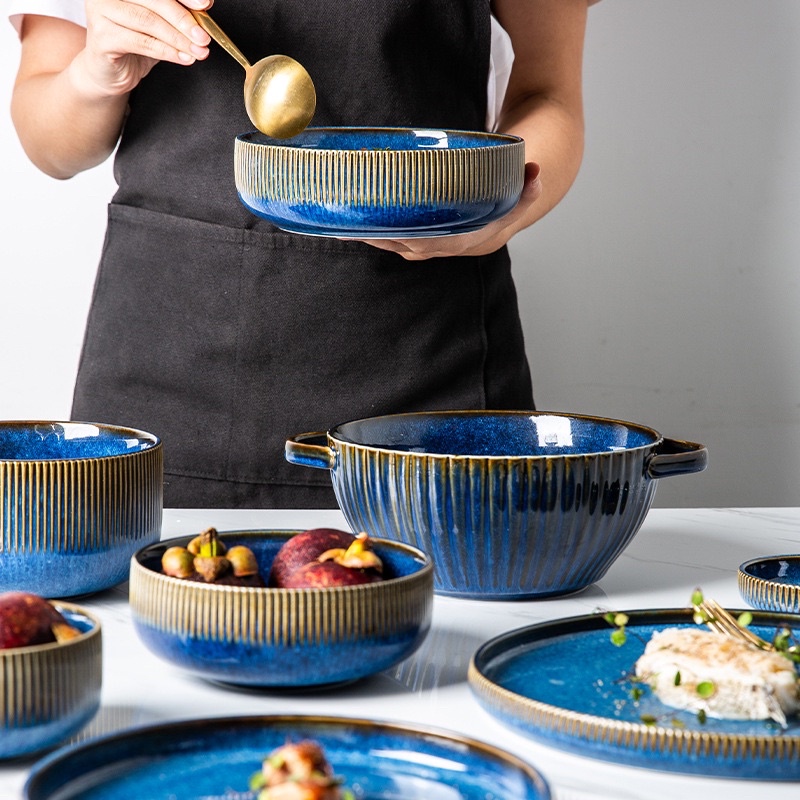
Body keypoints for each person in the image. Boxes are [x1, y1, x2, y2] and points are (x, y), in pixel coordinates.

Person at [9, 0, 597, 508]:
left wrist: (494, 211)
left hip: (424, 350)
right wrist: (97, 72)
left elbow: (548, 93)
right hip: (167, 351)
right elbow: (50, 144)